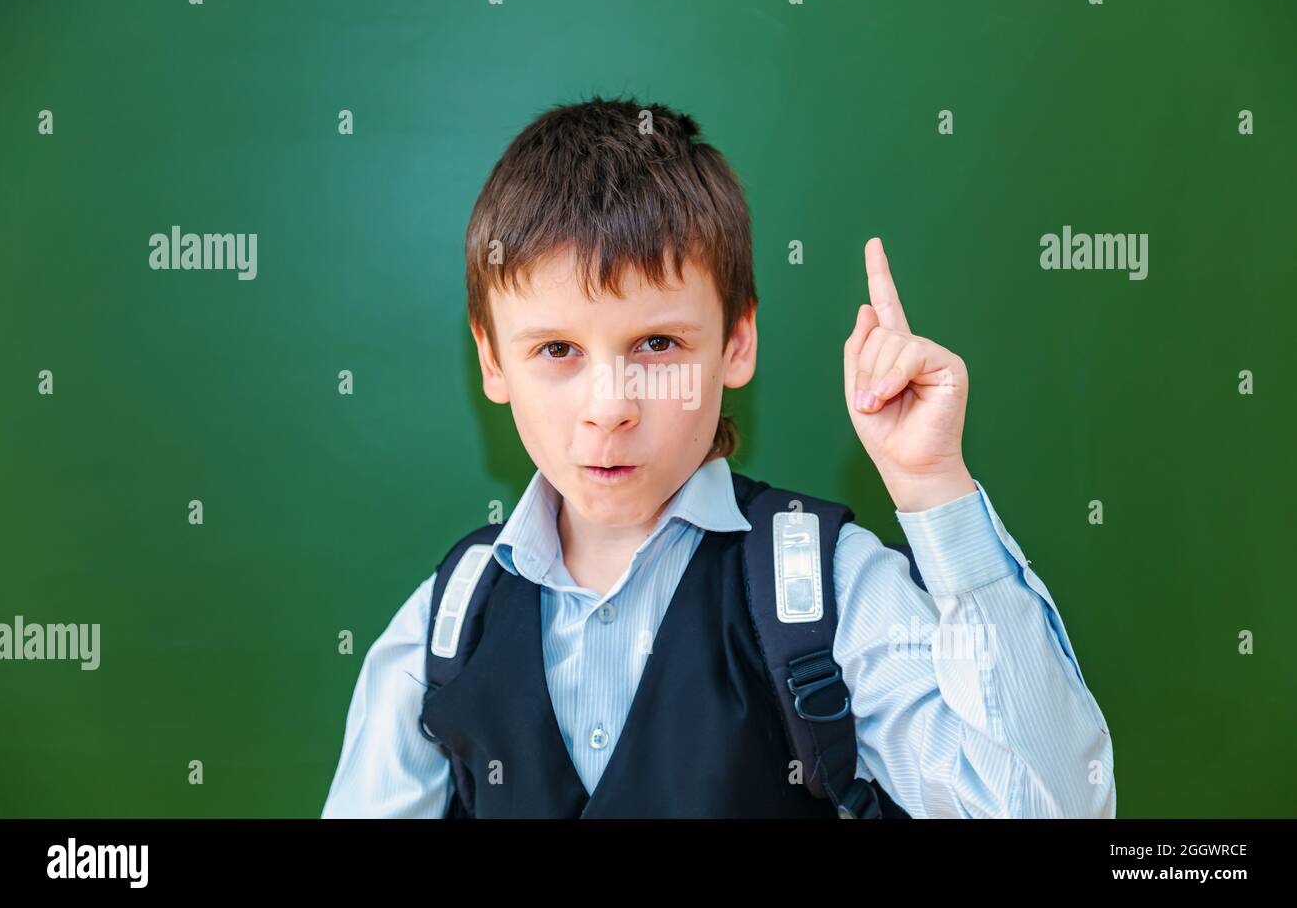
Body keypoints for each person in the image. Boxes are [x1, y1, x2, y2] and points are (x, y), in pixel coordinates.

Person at [321, 96, 1115, 818]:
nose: (610, 406)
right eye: (557, 348)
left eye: (657, 343)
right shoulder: (443, 626)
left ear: (737, 342)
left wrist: (933, 488)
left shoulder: (827, 592)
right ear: (493, 362)